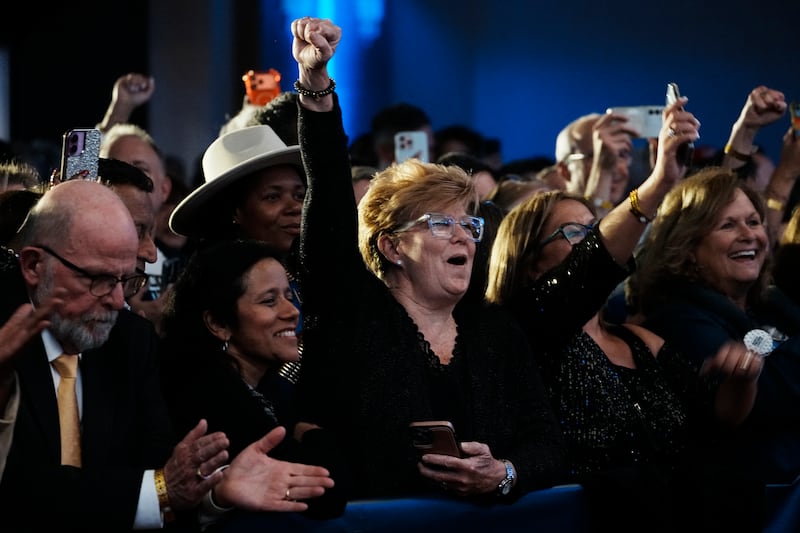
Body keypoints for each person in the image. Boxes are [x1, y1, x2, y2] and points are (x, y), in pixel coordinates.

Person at [290, 16, 565, 502]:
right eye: (441, 223)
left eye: (469, 224)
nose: (463, 236)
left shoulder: (496, 332)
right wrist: (316, 87)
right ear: (392, 246)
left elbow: (546, 440)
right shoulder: (353, 314)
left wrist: (504, 473)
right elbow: (330, 197)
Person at [486, 102, 766, 531]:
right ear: (529, 262)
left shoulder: (641, 339)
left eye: (593, 227)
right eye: (575, 233)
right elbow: (590, 269)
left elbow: (719, 419)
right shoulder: (528, 331)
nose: (592, 240)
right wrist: (658, 185)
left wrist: (742, 380)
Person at [0, 179, 232, 531]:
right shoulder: (5, 340)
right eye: (99, 279)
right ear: (34, 266)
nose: (117, 301)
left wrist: (216, 496)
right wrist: (157, 492)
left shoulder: (130, 341)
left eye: (126, 280)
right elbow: (20, 495)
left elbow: (164, 479)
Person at [631, 166, 800, 489]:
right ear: (688, 247)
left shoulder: (773, 302)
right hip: (753, 502)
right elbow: (764, 397)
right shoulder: (676, 319)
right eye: (728, 225)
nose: (750, 235)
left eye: (753, 222)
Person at [159, 238, 340, 525]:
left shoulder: (272, 389)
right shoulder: (208, 394)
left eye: (288, 296)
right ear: (219, 324)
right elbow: (328, 495)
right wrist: (310, 435)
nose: (292, 312)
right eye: (269, 301)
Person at [554, 111, 639, 218]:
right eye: (597, 155)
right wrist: (603, 169)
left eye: (622, 154)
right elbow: (590, 230)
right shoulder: (552, 219)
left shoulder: (635, 217)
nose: (616, 168)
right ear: (565, 170)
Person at [369, 102, 434, 170]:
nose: (429, 158)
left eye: (431, 150)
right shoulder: (361, 179)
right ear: (385, 151)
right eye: (419, 149)